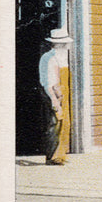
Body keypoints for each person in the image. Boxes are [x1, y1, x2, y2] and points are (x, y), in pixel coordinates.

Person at [39, 29, 73, 165]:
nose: (67, 47)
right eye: (65, 44)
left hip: (62, 94)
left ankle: (61, 154)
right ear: (59, 45)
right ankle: (52, 156)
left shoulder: (61, 58)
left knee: (64, 123)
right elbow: (48, 83)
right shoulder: (49, 58)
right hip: (52, 94)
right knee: (54, 124)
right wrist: (55, 101)